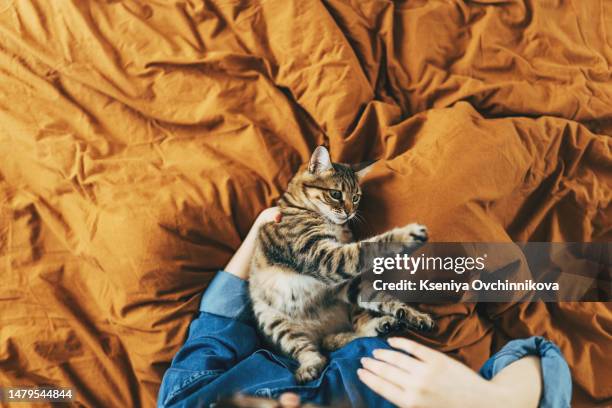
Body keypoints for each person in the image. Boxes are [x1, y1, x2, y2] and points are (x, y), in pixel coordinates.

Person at [157, 208, 572, 408]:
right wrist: (486, 402)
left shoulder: (185, 401)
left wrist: (264, 229)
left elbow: (219, 318)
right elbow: (543, 360)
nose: (285, 402)